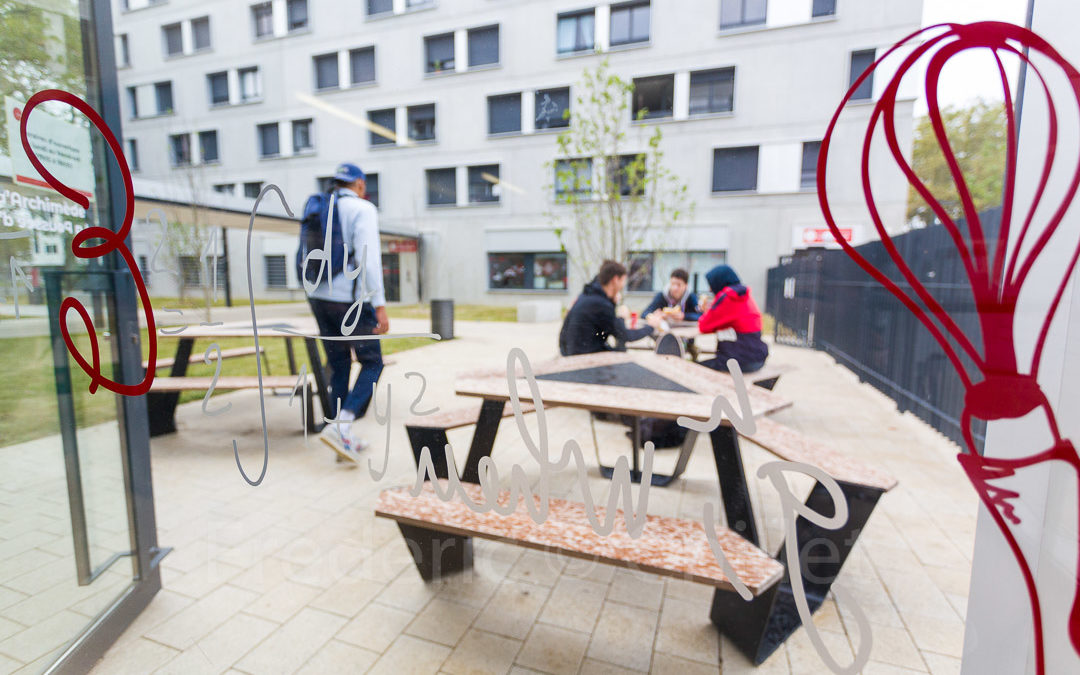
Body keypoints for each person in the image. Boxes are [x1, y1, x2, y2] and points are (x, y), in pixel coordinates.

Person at [304, 162, 389, 461]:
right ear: (361, 185)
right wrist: (379, 305)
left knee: (338, 364)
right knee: (372, 363)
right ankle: (342, 424)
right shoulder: (362, 209)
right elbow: (368, 260)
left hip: (317, 296)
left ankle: (342, 435)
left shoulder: (320, 207)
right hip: (349, 300)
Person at [559, 260, 660, 356]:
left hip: (571, 351)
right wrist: (650, 327)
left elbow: (607, 325)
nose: (623, 285)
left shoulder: (589, 295)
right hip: (583, 357)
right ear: (616, 280)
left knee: (620, 351)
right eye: (623, 281)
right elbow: (625, 335)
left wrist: (612, 302)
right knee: (623, 355)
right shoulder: (601, 304)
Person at [698, 264, 768, 373]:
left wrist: (706, 310)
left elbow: (704, 326)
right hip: (757, 358)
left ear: (719, 281)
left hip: (739, 361)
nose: (710, 289)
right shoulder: (744, 295)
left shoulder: (727, 296)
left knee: (692, 369)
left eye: (711, 284)